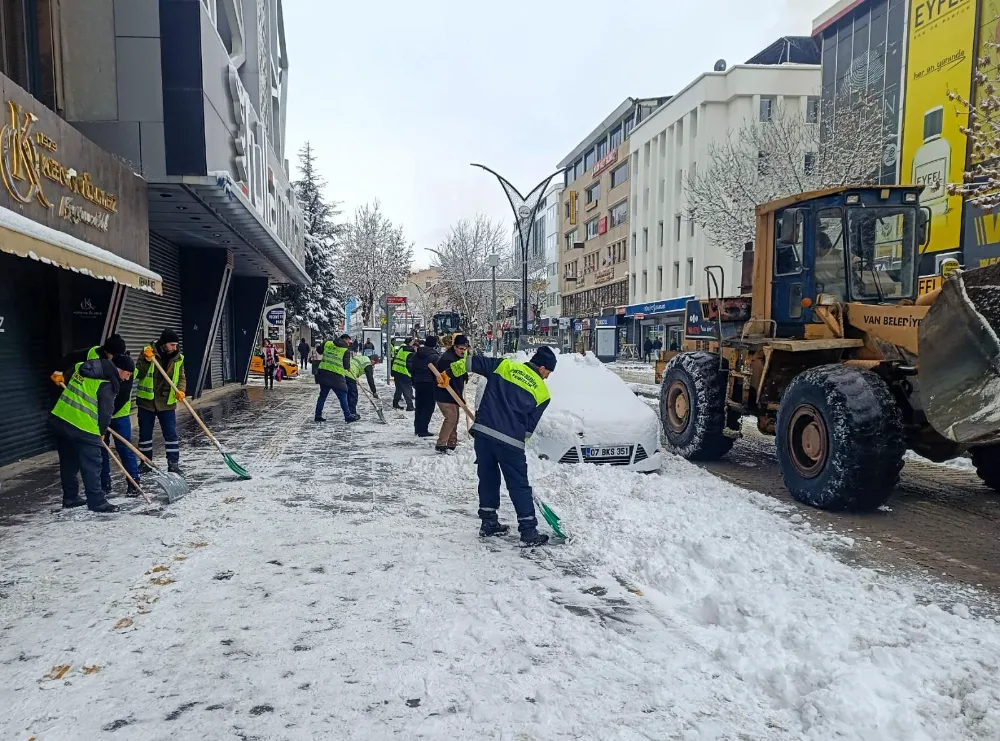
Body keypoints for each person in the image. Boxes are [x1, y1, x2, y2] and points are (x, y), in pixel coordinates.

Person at [466, 346, 556, 546]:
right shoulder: (542, 393)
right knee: (519, 486)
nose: (547, 377)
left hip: (484, 434)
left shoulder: (504, 365)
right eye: (548, 372)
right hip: (510, 443)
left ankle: (488, 523)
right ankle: (528, 531)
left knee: (488, 478)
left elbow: (471, 362)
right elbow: (528, 429)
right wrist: (516, 443)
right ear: (541, 367)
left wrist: (448, 371)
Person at [49, 352, 133, 513]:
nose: (127, 378)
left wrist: (61, 375)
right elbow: (105, 412)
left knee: (68, 463)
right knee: (93, 465)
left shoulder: (82, 366)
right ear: (119, 369)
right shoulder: (107, 382)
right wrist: (101, 432)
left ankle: (70, 498)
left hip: (61, 420)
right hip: (84, 427)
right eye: (127, 374)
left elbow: (70, 371)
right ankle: (97, 502)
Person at [136, 329, 186, 475]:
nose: (174, 348)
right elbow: (139, 373)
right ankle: (146, 463)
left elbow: (182, 377)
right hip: (147, 402)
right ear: (164, 343)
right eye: (172, 345)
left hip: (166, 402)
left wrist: (181, 390)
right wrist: (146, 361)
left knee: (171, 434)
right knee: (145, 434)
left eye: (176, 345)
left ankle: (173, 463)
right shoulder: (148, 352)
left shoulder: (178, 357)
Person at [100, 354, 141, 498]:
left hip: (120, 416)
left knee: (125, 448)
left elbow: (121, 399)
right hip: (101, 417)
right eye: (127, 374)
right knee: (101, 449)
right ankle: (104, 484)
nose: (129, 377)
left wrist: (105, 417)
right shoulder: (102, 372)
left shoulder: (127, 375)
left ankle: (133, 482)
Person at [433, 334, 470, 453]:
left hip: (453, 393)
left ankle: (452, 442)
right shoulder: (447, 359)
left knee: (455, 418)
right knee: (451, 418)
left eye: (465, 349)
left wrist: (464, 375)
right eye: (461, 348)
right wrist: (458, 397)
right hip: (444, 393)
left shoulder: (459, 358)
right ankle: (441, 444)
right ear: (455, 347)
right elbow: (448, 379)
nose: (463, 351)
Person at [315, 334, 355, 423]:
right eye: (349, 341)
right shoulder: (345, 350)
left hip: (323, 372)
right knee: (343, 394)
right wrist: (348, 367)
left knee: (322, 396)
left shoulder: (327, 343)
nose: (349, 343)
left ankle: (318, 415)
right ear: (345, 339)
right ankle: (347, 415)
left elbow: (319, 351)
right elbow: (346, 366)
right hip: (336, 375)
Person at [408, 335, 441, 438]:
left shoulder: (417, 354)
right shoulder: (434, 356)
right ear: (434, 344)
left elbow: (412, 368)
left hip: (418, 382)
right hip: (429, 383)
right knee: (428, 406)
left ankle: (417, 428)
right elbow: (438, 370)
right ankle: (423, 429)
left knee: (419, 405)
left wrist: (414, 379)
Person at [348, 350, 379, 418]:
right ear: (373, 360)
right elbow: (370, 379)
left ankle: (348, 412)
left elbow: (356, 365)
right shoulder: (368, 364)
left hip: (345, 372)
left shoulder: (363, 357)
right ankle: (352, 413)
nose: (373, 365)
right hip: (350, 375)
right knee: (353, 395)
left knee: (348, 394)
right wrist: (374, 392)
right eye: (374, 363)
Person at [391, 340, 415, 411]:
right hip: (404, 373)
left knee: (399, 389)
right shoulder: (411, 353)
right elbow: (410, 366)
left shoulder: (402, 349)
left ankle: (395, 403)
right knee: (407, 389)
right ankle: (410, 406)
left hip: (396, 370)